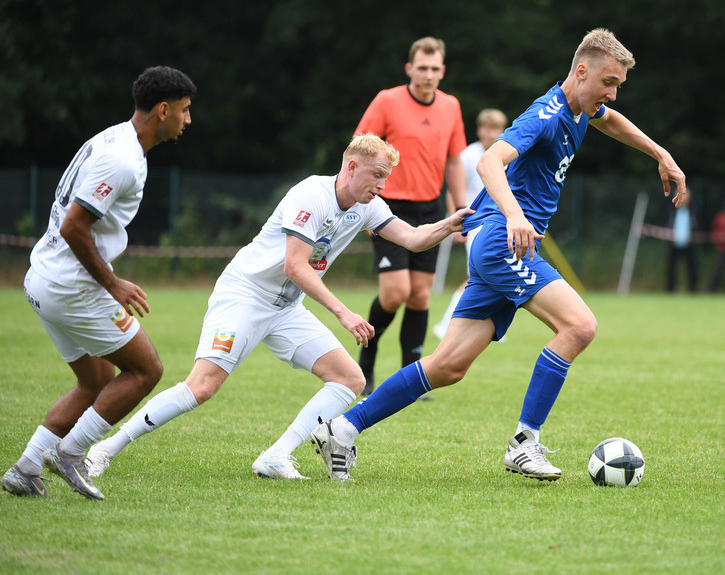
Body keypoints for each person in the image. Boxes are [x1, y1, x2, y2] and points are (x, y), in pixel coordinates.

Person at [309, 28, 687, 483]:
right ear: (580, 71)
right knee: (580, 326)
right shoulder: (546, 115)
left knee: (448, 366)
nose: (611, 94)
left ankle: (343, 429)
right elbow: (490, 161)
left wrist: (659, 152)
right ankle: (525, 443)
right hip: (503, 243)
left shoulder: (581, 108)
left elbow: (608, 120)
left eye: (618, 87)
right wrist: (513, 215)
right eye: (607, 82)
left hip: (500, 245)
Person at [83, 134, 472, 480]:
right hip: (245, 295)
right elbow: (294, 265)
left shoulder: (368, 206)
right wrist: (343, 312)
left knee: (349, 379)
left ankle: (276, 456)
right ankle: (105, 449)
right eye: (376, 175)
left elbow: (414, 239)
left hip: (285, 308)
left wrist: (450, 224)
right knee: (202, 386)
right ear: (352, 167)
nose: (382, 185)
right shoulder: (312, 196)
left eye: (385, 177)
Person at [3, 66, 196, 500]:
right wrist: (112, 283)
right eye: (184, 111)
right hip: (73, 288)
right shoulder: (123, 159)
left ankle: (26, 467)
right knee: (147, 370)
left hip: (44, 279)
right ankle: (70, 453)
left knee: (95, 381)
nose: (188, 120)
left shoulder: (115, 138)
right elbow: (75, 226)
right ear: (163, 110)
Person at [354, 37, 467, 395]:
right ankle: (366, 363)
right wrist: (361, 204)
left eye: (435, 69)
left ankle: (410, 378)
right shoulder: (387, 100)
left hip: (430, 209)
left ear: (442, 71)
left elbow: (453, 160)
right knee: (395, 293)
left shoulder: (451, 106)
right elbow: (359, 149)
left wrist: (461, 209)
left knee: (420, 296)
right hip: (388, 209)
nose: (428, 75)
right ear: (409, 69)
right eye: (422, 68)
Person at [432, 108, 508, 339]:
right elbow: (455, 190)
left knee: (494, 276)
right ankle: (446, 326)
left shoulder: (507, 153)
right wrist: (457, 221)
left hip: (500, 224)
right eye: (487, 127)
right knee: (478, 276)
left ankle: (493, 327)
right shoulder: (468, 155)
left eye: (496, 128)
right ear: (479, 130)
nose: (491, 133)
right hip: (475, 223)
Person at [666, 190, 699, 293]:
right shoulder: (670, 212)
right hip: (673, 245)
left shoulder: (693, 213)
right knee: (671, 270)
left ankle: (692, 291)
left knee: (692, 269)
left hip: (689, 245)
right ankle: (670, 291)